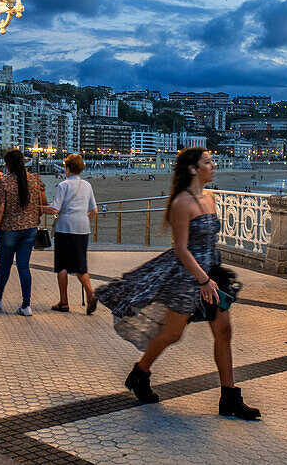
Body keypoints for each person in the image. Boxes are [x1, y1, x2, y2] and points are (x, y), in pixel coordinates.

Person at [94, 148, 260, 420]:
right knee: (173, 334)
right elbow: (181, 248)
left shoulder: (211, 197)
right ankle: (140, 373)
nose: (213, 165)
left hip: (213, 274)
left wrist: (211, 277)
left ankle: (229, 397)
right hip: (189, 278)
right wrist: (202, 280)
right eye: (208, 162)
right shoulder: (181, 203)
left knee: (224, 332)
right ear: (193, 169)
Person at [0, 149, 46, 316]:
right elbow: (42, 203)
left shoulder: (3, 183)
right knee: (24, 267)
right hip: (29, 229)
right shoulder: (34, 179)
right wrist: (35, 218)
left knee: (5, 266)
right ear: (23, 163)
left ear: (8, 165)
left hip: (9, 230)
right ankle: (26, 305)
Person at [41, 153, 98, 314]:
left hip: (65, 228)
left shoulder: (63, 185)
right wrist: (83, 219)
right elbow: (94, 211)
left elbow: (54, 209)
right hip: (82, 228)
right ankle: (90, 293)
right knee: (80, 264)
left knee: (62, 265)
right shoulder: (87, 185)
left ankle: (64, 301)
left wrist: (39, 208)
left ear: (67, 168)